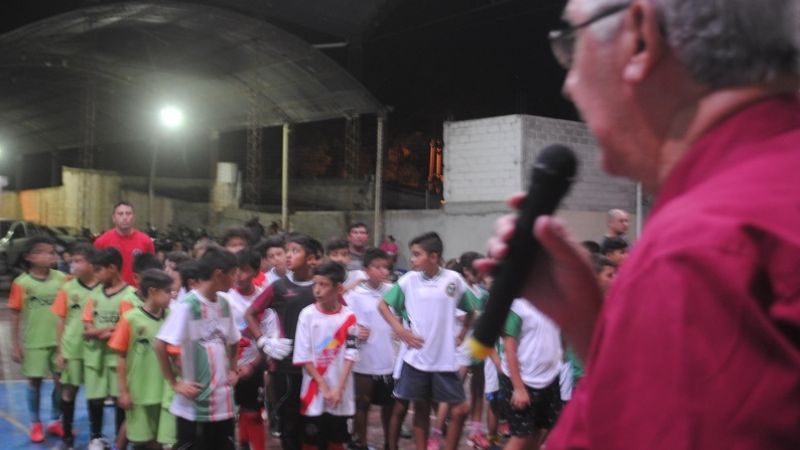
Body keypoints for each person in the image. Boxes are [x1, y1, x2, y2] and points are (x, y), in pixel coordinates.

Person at [481, 0, 800, 447]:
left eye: (572, 44)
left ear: (640, 37)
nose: (569, 86)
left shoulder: (698, 250)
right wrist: (589, 322)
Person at [378, 232, 479, 450]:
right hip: (417, 359)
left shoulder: (453, 279)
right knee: (421, 410)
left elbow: (471, 309)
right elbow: (383, 306)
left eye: (417, 255)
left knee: (460, 409)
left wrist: (462, 333)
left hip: (444, 360)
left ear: (434, 256)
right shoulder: (408, 281)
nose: (412, 259)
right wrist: (400, 329)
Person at [154, 247, 241, 450]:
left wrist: (233, 369)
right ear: (219, 274)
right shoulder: (187, 306)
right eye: (233, 274)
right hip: (193, 403)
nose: (236, 279)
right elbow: (160, 344)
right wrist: (174, 383)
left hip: (223, 402)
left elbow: (235, 340)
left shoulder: (225, 304)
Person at [244, 233, 323, 450]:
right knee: (289, 424)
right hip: (285, 365)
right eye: (287, 251)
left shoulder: (321, 285)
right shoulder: (279, 287)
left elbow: (341, 315)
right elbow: (250, 313)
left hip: (317, 367)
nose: (288, 256)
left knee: (315, 425)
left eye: (295, 251)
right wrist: (263, 341)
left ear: (311, 258)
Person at [293, 261, 360, 450]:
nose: (317, 290)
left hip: (340, 391)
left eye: (323, 285)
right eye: (315, 284)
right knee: (310, 440)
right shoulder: (307, 315)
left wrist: (338, 388)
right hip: (313, 391)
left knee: (336, 440)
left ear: (338, 288)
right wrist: (322, 385)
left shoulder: (349, 317)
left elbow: (351, 354)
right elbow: (303, 355)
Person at [9, 236, 68, 443]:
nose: (50, 255)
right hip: (34, 342)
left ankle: (55, 420)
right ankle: (35, 423)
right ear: (29, 257)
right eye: (43, 252)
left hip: (60, 342)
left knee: (61, 382)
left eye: (52, 252)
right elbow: (15, 315)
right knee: (34, 382)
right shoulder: (21, 283)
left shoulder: (63, 279)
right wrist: (15, 345)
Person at [108, 269, 174, 450]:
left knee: (164, 438)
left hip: (165, 390)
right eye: (168, 291)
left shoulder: (172, 318)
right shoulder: (131, 319)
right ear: (153, 291)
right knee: (142, 438)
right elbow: (120, 357)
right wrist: (123, 391)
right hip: (139, 390)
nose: (171, 296)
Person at [82, 247, 140, 449]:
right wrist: (106, 331)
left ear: (113, 268)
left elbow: (126, 327)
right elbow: (87, 325)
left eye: (98, 270)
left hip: (118, 359)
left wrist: (99, 332)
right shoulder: (94, 294)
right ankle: (96, 437)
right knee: (95, 400)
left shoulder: (130, 296)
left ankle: (119, 439)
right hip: (95, 357)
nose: (95, 274)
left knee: (120, 401)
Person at [344, 248, 395, 450]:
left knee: (390, 405)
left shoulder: (393, 291)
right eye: (377, 267)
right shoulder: (354, 295)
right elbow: (344, 321)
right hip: (363, 358)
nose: (382, 271)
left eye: (385, 267)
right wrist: (355, 330)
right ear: (366, 270)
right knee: (362, 403)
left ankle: (390, 443)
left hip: (388, 356)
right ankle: (362, 443)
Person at [499, 299, 563, 450]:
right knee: (520, 438)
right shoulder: (518, 305)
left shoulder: (556, 302)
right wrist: (519, 388)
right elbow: (509, 347)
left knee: (542, 430)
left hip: (549, 378)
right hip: (523, 380)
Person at [52, 243, 98, 450]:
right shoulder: (68, 288)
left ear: (91, 263)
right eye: (72, 262)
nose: (73, 266)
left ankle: (96, 437)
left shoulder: (103, 288)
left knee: (95, 394)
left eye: (78, 261)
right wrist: (60, 350)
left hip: (96, 350)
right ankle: (67, 436)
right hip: (72, 348)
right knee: (69, 391)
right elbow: (61, 320)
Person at [220, 249, 267, 450]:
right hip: (225, 367)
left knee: (253, 412)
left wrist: (253, 366)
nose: (239, 275)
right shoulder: (223, 298)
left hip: (252, 365)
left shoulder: (264, 299)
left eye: (245, 270)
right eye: (235, 270)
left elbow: (270, 338)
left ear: (256, 272)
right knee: (226, 415)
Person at [94, 201, 155, 286]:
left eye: (128, 213)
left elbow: (151, 271)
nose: (125, 217)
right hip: (110, 293)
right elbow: (96, 271)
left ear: (134, 217)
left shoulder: (146, 241)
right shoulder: (101, 242)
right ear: (113, 218)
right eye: (120, 214)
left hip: (137, 293)